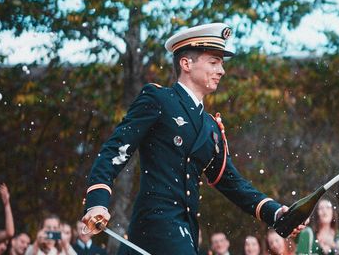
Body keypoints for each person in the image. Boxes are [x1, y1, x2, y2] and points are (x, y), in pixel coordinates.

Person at [81, 23, 304, 254]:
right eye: (213, 62)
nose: (221, 71)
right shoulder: (158, 99)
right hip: (154, 227)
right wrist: (97, 200)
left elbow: (231, 182)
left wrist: (276, 212)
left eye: (221, 64)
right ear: (186, 64)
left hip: (186, 231)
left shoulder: (211, 127)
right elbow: (116, 150)